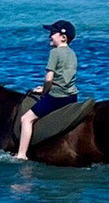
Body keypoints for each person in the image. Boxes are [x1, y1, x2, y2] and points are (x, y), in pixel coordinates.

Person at [14, 19, 79, 160]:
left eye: (52, 33)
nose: (49, 36)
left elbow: (49, 78)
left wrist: (44, 92)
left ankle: (21, 154)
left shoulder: (55, 53)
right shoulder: (72, 54)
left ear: (63, 37)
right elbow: (65, 78)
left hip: (57, 97)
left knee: (26, 119)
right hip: (72, 96)